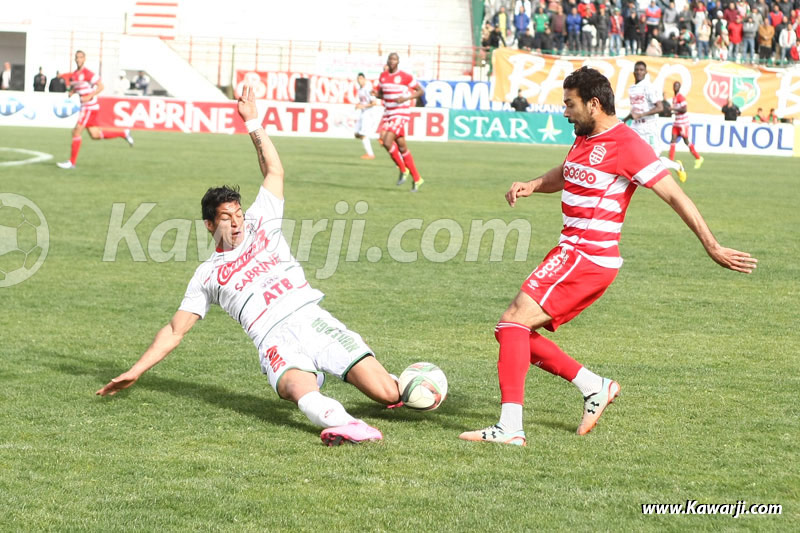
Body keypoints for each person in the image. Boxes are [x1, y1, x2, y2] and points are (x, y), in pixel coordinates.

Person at [459, 66, 757, 446]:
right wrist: (533, 184)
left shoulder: (628, 145)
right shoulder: (584, 137)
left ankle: (511, 428)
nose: (564, 112)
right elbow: (568, 173)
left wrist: (712, 245)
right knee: (512, 330)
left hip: (587, 256)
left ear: (594, 104)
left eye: (570, 104)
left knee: (514, 324)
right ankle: (594, 387)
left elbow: (675, 195)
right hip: (571, 252)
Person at [97, 84, 402, 446]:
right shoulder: (207, 275)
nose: (237, 222)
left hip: (310, 317)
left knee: (389, 394)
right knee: (293, 386)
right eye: (227, 217)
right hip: (273, 339)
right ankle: (347, 425)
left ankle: (416, 384)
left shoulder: (263, 220)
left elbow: (274, 171)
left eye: (239, 213)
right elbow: (175, 330)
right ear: (210, 224)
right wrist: (136, 370)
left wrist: (252, 122)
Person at [56, 51, 134, 169]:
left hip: (89, 107)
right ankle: (123, 133)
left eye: (81, 57)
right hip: (85, 107)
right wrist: (73, 92)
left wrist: (89, 96)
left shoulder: (88, 73)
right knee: (95, 135)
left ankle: (72, 163)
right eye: (77, 58)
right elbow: (80, 88)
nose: (78, 60)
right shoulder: (75, 75)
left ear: (84, 59)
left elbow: (101, 86)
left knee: (76, 132)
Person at [623, 61, 687, 181]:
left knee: (653, 160)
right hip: (636, 127)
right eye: (637, 69)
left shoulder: (648, 87)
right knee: (629, 153)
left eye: (641, 70)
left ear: (646, 72)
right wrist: (625, 120)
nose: (639, 72)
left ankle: (677, 166)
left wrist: (641, 115)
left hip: (649, 128)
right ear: (633, 72)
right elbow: (635, 111)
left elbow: (660, 107)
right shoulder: (631, 89)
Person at [374, 53, 425, 192]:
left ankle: (403, 169)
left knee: (387, 141)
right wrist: (375, 94)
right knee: (402, 147)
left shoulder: (405, 76)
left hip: (400, 113)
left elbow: (420, 91)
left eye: (394, 59)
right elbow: (381, 94)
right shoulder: (383, 76)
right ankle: (417, 178)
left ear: (398, 62)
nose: (392, 61)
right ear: (387, 61)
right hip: (388, 113)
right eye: (390, 59)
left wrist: (406, 98)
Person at [669, 81, 704, 177]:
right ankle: (670, 161)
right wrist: (672, 112)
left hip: (683, 123)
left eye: (677, 86)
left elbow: (684, 109)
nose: (675, 87)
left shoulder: (681, 97)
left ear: (679, 88)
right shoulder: (674, 98)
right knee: (672, 140)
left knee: (686, 141)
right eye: (674, 86)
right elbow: (677, 110)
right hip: (676, 122)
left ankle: (698, 158)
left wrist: (673, 109)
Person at [354, 72, 380, 159]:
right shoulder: (360, 90)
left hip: (369, 113)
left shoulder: (368, 89)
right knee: (357, 134)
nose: (359, 80)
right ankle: (380, 138)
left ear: (364, 79)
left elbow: (374, 103)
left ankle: (370, 154)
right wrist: (359, 105)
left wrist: (362, 106)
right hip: (363, 112)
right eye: (358, 79)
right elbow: (364, 101)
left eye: (361, 79)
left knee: (364, 134)